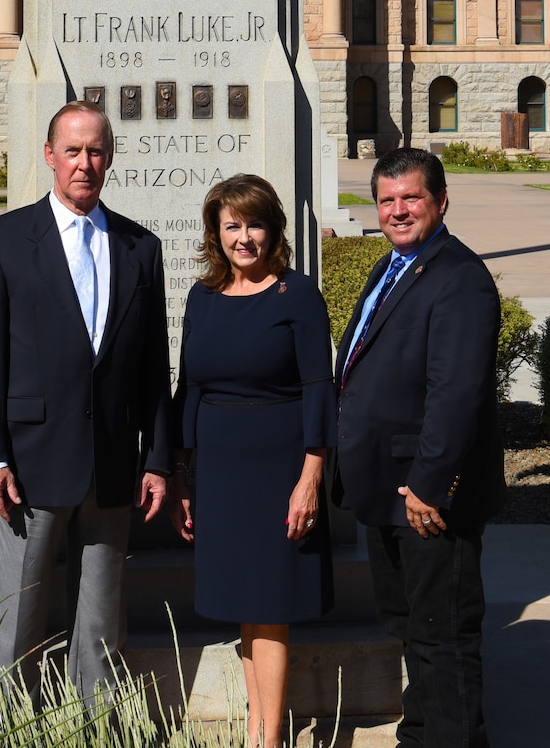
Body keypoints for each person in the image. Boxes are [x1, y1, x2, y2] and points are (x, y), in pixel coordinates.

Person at [0, 99, 172, 702]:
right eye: (72, 150)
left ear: (110, 157)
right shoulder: (1, 242)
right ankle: (6, 731)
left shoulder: (141, 248)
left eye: (96, 150)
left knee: (103, 634)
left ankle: (95, 728)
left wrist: (155, 459)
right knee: (16, 629)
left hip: (111, 468)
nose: (85, 162)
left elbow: (152, 369)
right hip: (27, 466)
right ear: (50, 156)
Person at [334, 147, 503, 748]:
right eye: (387, 200)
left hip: (426, 497)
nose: (398, 210)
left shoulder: (459, 278)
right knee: (412, 626)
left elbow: (455, 394)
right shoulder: (393, 267)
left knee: (445, 633)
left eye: (411, 198)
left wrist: (431, 485)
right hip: (389, 488)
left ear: (441, 202)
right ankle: (422, 734)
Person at [170, 174, 334, 748]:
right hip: (218, 470)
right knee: (246, 602)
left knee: (271, 602)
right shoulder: (201, 297)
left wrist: (310, 479)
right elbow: (188, 387)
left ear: (274, 229)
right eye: (232, 225)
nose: (245, 238)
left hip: (279, 467)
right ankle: (259, 729)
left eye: (255, 224)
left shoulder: (299, 295)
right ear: (216, 232)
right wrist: (181, 473)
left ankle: (267, 738)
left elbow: (320, 388)